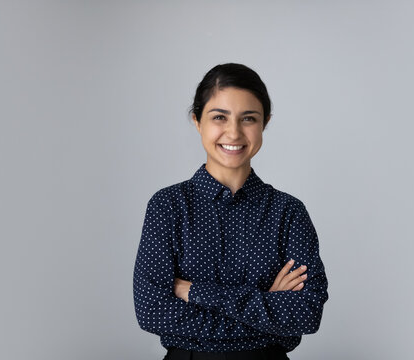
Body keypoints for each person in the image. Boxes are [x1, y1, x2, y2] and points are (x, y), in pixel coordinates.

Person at [133, 63, 329, 360]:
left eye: (248, 118)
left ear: (265, 123)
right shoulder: (168, 206)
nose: (234, 132)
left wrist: (195, 292)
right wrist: (268, 309)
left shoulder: (288, 212)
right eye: (219, 117)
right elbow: (153, 312)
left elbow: (306, 314)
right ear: (197, 121)